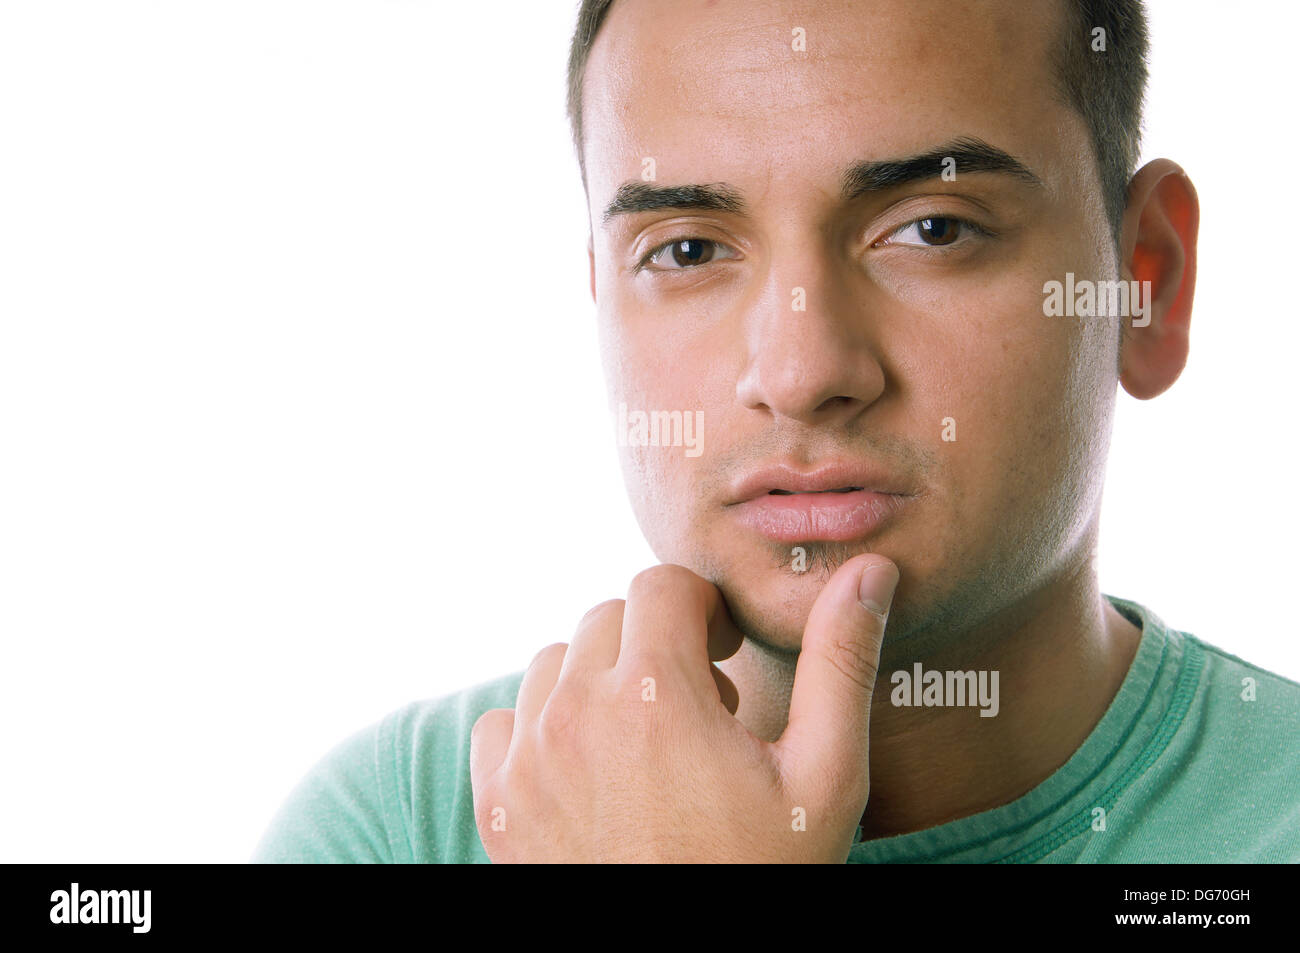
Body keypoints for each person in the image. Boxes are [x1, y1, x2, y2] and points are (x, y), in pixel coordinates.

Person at [253, 0, 1300, 863]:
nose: (799, 374)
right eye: (689, 248)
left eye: (932, 228)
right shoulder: (396, 830)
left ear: (1144, 285)